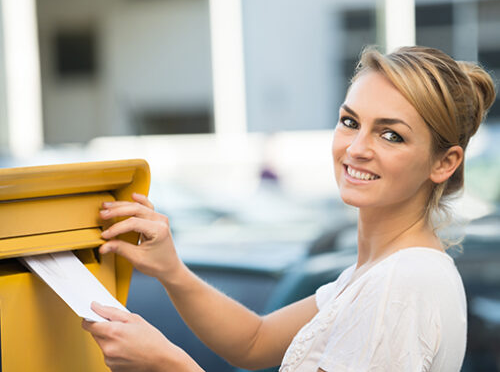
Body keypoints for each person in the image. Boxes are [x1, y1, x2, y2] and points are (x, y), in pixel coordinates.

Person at [82, 46, 496, 371]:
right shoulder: (376, 274)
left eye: (390, 135)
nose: (356, 149)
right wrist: (171, 269)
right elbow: (253, 342)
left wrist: (164, 363)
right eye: (350, 122)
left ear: (445, 163)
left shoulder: (402, 284)